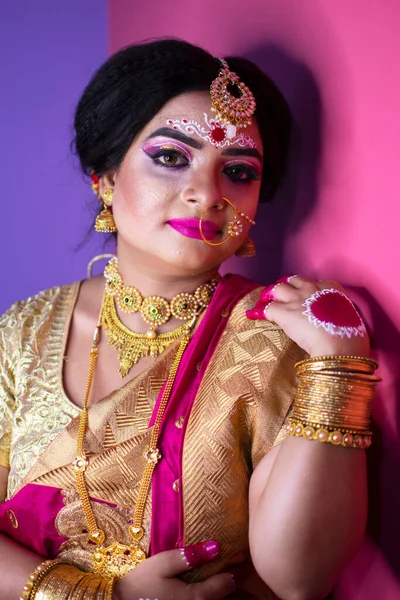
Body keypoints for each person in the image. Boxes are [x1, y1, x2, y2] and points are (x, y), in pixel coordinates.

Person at [0, 38, 379, 600]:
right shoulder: (25, 331)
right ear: (103, 177)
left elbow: (300, 579)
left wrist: (339, 370)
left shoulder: (274, 340)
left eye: (240, 171)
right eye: (172, 158)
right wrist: (102, 596)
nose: (207, 194)